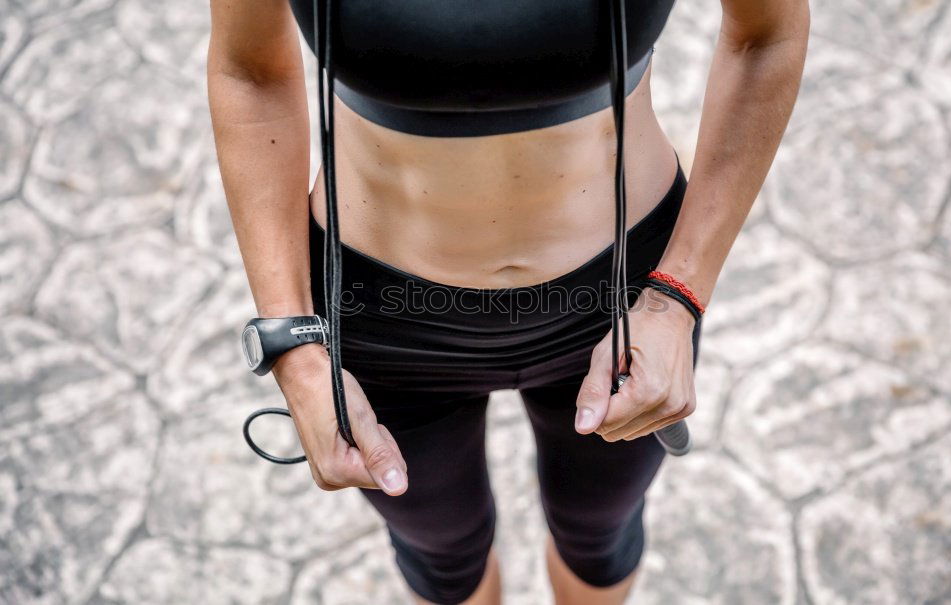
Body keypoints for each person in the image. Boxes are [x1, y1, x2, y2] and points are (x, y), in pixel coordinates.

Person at [206, 1, 809, 603]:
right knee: (441, 552)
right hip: (382, 317)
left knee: (600, 531)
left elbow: (767, 34)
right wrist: (295, 345)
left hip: (626, 301)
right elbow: (249, 71)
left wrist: (678, 296)